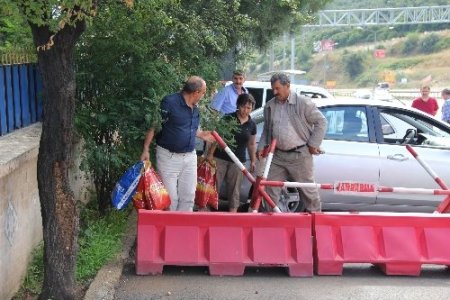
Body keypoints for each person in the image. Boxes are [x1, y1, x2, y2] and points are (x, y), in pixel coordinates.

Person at [140, 76, 215, 211]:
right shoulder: (169, 102)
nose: (203, 95)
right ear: (196, 92)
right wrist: (145, 148)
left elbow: (188, 128)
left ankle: (184, 230)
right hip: (168, 157)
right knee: (171, 199)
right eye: (203, 92)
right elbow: (154, 125)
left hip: (190, 157)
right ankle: (170, 230)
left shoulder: (196, 108)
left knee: (189, 196)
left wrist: (203, 135)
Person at [257, 73, 327, 212]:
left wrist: (313, 144)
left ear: (287, 86)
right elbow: (267, 129)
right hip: (277, 156)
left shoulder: (303, 103)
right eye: (273, 89)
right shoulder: (270, 106)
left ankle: (316, 224)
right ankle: (272, 226)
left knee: (308, 192)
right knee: (270, 190)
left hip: (300, 154)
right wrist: (261, 147)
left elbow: (321, 122)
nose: (275, 92)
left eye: (277, 88)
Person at [207, 94, 257, 212]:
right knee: (214, 186)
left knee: (234, 190)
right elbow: (217, 137)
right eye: (243, 107)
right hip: (220, 157)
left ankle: (232, 215)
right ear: (238, 106)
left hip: (238, 161)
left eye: (249, 108)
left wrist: (253, 160)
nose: (245, 110)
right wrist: (210, 154)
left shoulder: (252, 124)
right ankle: (208, 212)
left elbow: (251, 144)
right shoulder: (228, 118)